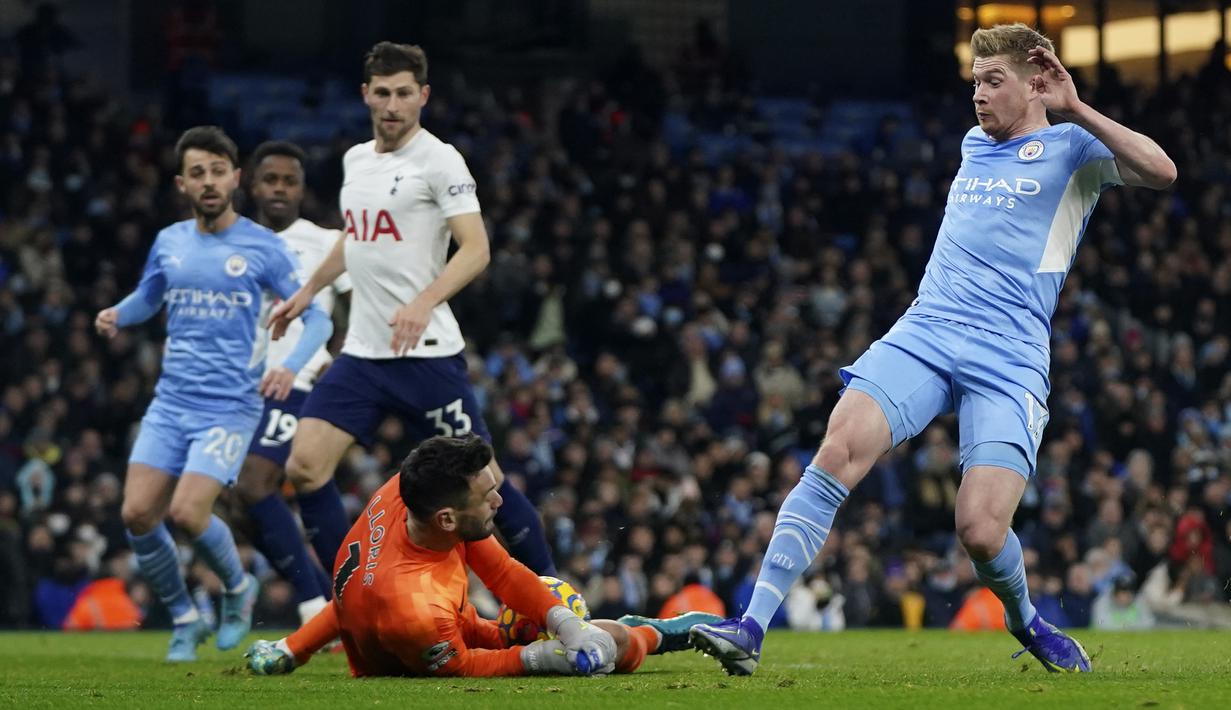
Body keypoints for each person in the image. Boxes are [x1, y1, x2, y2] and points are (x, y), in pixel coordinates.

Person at [692, 23, 1176, 675]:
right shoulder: (974, 143)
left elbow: (1162, 171)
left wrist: (1077, 107)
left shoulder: (1074, 150)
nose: (977, 97)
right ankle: (750, 625)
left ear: (1036, 81)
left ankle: (1028, 621)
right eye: (974, 82)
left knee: (978, 529)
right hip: (927, 331)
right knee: (836, 450)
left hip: (1008, 357)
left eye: (992, 81)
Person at [268, 41, 555, 579]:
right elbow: (355, 237)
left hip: (426, 357)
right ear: (366, 95)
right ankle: (350, 601)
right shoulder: (357, 160)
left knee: (484, 485)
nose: (393, 104)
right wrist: (307, 292)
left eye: (404, 93)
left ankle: (557, 596)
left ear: (423, 95)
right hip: (363, 355)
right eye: (382, 93)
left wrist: (423, 302)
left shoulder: (440, 159)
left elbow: (476, 248)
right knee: (305, 467)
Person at [95, 126, 333, 662]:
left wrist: (292, 367)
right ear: (182, 183)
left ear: (235, 178)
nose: (208, 182)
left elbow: (316, 318)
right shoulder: (170, 242)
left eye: (218, 171)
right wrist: (117, 314)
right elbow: (147, 297)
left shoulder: (263, 247)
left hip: (230, 405)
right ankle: (183, 617)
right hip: (171, 401)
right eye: (197, 173)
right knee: (136, 514)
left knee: (187, 511)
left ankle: (236, 590)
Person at [243, 434, 718, 677]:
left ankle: (647, 631)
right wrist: (544, 658)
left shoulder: (413, 493)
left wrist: (291, 650)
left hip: (440, 619)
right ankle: (655, 634)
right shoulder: (414, 609)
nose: (499, 502)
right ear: (448, 519)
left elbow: (503, 573)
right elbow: (462, 667)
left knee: (565, 615)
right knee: (605, 644)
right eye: (488, 495)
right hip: (426, 650)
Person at [235, 140, 351, 625]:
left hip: (300, 382)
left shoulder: (326, 241)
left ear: (302, 189)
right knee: (241, 504)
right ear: (253, 185)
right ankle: (334, 598)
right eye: (271, 180)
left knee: (256, 482)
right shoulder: (233, 241)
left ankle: (312, 604)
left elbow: (360, 307)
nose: (280, 189)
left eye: (290, 181)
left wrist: (340, 359)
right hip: (242, 390)